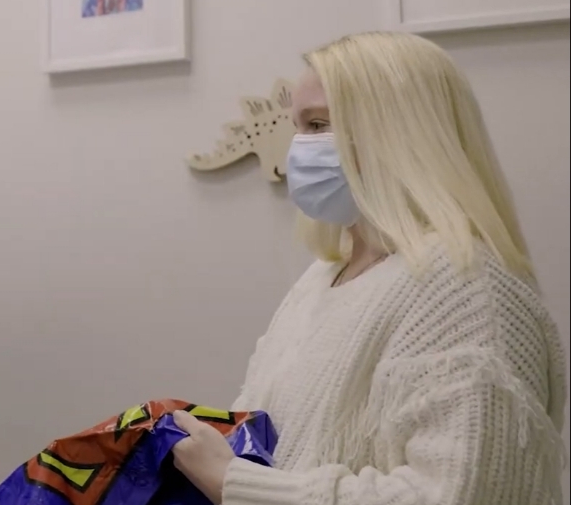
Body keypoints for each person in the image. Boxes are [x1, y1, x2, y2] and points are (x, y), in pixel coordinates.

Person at [170, 32, 567, 505]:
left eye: (318, 125)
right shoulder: (322, 277)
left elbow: (460, 493)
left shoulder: (466, 288)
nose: (299, 147)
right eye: (298, 126)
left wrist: (235, 483)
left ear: (398, 131)